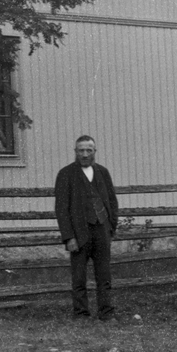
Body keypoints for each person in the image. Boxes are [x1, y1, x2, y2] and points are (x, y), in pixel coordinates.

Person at [54, 135, 119, 320]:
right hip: (79, 232)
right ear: (75, 152)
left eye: (88, 150)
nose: (84, 154)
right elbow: (61, 209)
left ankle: (106, 312)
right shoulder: (66, 174)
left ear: (94, 152)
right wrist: (69, 237)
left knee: (104, 275)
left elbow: (112, 201)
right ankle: (81, 313)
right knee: (79, 277)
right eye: (81, 150)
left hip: (101, 229)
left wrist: (110, 227)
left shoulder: (103, 172)